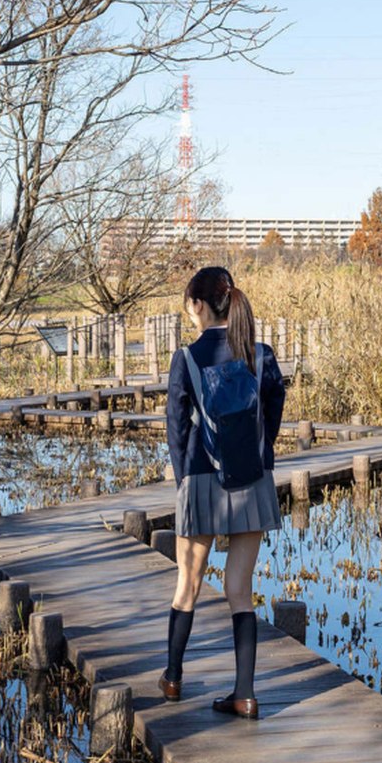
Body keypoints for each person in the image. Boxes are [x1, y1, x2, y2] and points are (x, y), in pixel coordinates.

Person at [159, 266, 285, 719]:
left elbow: (176, 429)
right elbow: (272, 413)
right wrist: (258, 455)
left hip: (201, 480)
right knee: (240, 590)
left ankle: (173, 680)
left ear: (197, 305)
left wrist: (184, 483)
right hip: (251, 483)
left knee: (187, 586)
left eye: (188, 306)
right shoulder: (261, 354)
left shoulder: (186, 359)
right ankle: (245, 695)